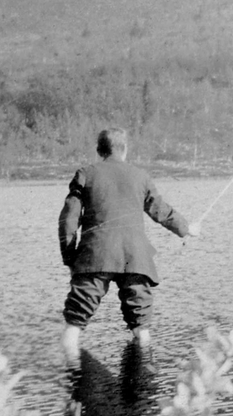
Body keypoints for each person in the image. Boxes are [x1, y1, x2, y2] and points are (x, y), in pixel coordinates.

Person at [58, 128, 200, 362]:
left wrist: (70, 257)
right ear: (125, 149)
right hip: (135, 260)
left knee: (74, 324)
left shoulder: (85, 174)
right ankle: (142, 385)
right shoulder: (141, 176)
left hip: (95, 258)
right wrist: (186, 229)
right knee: (141, 327)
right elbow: (160, 211)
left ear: (99, 150)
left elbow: (68, 220)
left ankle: (73, 382)